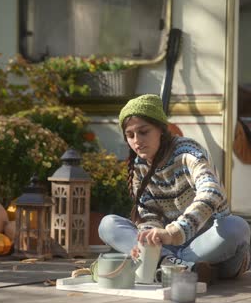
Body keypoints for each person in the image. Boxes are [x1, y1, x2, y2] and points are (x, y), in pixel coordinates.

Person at [98, 94, 251, 282]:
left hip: (208, 247)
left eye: (143, 132)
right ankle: (180, 267)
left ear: (161, 130)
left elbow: (211, 192)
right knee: (108, 224)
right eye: (130, 135)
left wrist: (173, 233)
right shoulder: (139, 166)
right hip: (170, 248)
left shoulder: (188, 152)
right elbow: (148, 216)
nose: (136, 140)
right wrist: (148, 241)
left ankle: (169, 266)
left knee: (236, 226)